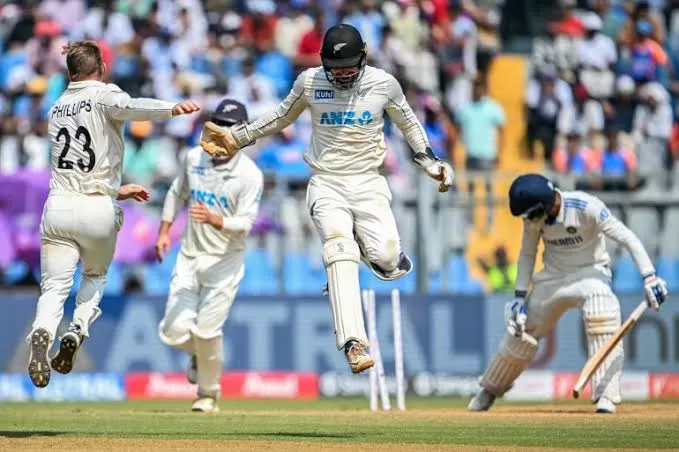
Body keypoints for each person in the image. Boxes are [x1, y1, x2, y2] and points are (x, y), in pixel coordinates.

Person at [199, 24, 454, 374]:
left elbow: (409, 124)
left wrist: (430, 160)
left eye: (349, 67)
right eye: (336, 68)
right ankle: (354, 343)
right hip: (327, 182)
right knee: (339, 249)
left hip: (368, 182)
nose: (343, 74)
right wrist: (236, 138)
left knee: (387, 259)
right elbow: (280, 117)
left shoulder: (383, 84)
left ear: (363, 57)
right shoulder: (310, 82)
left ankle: (364, 249)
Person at [27, 40, 200, 389]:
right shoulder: (105, 95)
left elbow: (74, 168)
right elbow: (132, 106)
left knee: (54, 287)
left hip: (59, 205)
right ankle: (77, 329)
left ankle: (43, 331)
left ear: (69, 72)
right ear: (102, 68)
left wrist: (119, 189)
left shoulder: (56, 107)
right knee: (95, 275)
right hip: (96, 209)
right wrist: (171, 108)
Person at [469, 173, 668, 414]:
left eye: (529, 214)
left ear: (542, 206)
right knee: (521, 328)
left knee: (602, 312)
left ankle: (605, 395)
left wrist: (649, 276)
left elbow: (626, 237)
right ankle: (489, 389)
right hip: (553, 278)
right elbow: (527, 254)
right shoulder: (535, 218)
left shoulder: (586, 207)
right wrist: (519, 298)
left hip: (591, 275)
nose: (527, 220)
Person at [155, 99, 263, 413]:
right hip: (190, 257)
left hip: (224, 264)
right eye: (218, 122)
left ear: (242, 132)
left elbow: (246, 224)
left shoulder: (249, 175)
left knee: (206, 332)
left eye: (229, 126)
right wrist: (164, 231)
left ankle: (207, 394)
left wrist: (216, 220)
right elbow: (176, 192)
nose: (221, 129)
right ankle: (203, 357)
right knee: (172, 332)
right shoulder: (194, 157)